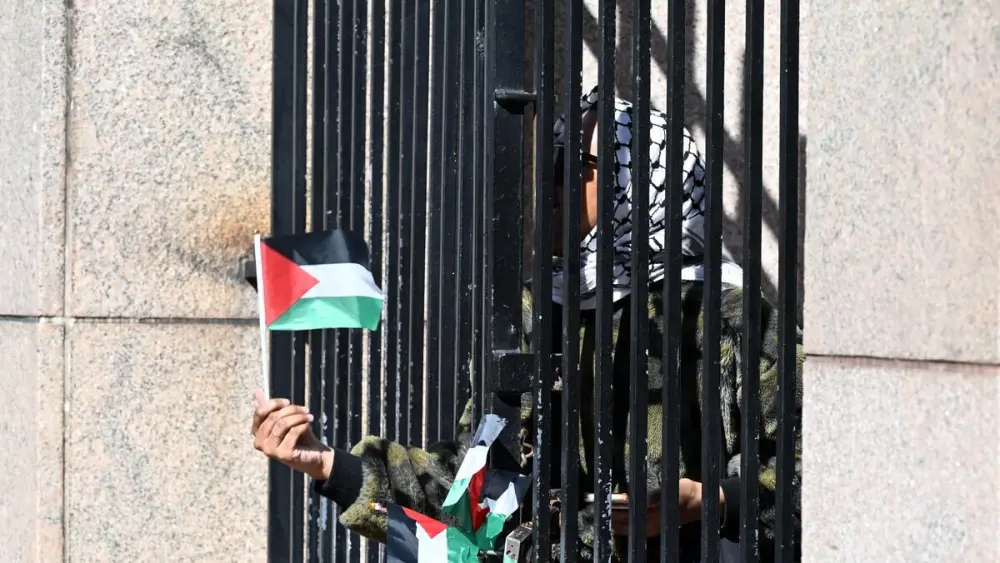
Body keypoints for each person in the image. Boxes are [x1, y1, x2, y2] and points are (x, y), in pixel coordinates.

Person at [251, 85, 803, 561]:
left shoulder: (728, 318)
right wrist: (327, 464)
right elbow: (471, 487)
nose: (551, 186)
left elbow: (819, 477)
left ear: (640, 181)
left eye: (574, 167)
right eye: (551, 163)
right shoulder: (539, 311)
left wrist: (712, 503)